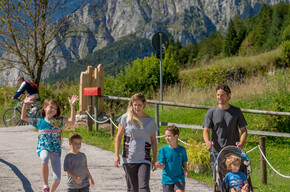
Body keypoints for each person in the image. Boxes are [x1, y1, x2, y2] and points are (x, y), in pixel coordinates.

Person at [21, 95, 79, 192]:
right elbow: (23, 117)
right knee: (44, 157)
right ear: (44, 108)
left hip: (55, 151)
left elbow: (72, 120)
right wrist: (25, 104)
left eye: (55, 108)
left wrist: (72, 106)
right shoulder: (39, 121)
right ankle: (45, 185)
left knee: (57, 179)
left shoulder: (58, 121)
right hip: (43, 148)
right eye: (51, 107)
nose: (53, 110)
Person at [202, 84, 248, 191]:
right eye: (218, 95)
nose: (219, 98)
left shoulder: (236, 112)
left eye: (222, 95)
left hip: (232, 152)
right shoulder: (211, 112)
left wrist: (241, 143)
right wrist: (207, 142)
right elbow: (206, 130)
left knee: (233, 180)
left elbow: (244, 130)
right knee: (218, 180)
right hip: (216, 152)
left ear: (229, 96)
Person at [114, 93, 158, 192]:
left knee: (143, 188)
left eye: (139, 105)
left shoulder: (150, 121)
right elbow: (119, 137)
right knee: (132, 188)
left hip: (144, 158)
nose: (137, 107)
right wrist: (116, 155)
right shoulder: (125, 118)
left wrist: (155, 158)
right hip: (129, 158)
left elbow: (154, 141)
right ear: (132, 104)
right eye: (135, 105)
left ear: (144, 105)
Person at [155, 125, 189, 192]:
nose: (166, 138)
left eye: (169, 136)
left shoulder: (182, 150)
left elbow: (184, 162)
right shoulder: (163, 150)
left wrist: (185, 170)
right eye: (165, 136)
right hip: (167, 179)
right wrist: (159, 165)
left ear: (176, 136)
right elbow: (163, 164)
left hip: (179, 178)